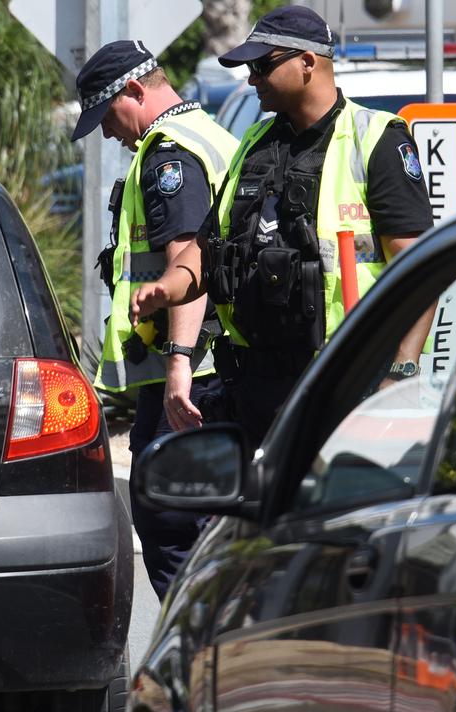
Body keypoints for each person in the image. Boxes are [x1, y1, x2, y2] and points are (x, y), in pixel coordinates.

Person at [131, 6, 436, 449]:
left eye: (262, 66)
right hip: (256, 393)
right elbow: (210, 244)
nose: (252, 80)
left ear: (308, 62)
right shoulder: (255, 145)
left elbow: (420, 272)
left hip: (349, 389)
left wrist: (400, 374)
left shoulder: (376, 140)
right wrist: (171, 286)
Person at [72, 40, 239, 597]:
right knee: (187, 510)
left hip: (193, 370)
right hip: (201, 364)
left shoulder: (171, 156)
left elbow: (186, 262)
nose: (105, 132)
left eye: (106, 115)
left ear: (135, 91)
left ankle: (194, 642)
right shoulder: (209, 135)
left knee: (171, 520)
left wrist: (178, 366)